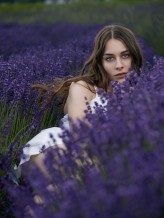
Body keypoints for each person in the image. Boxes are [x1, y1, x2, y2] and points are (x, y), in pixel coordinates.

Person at [14, 24, 143, 180]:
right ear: (100, 61)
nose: (119, 65)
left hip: (98, 161)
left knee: (61, 189)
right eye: (110, 58)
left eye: (125, 55)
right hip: (59, 149)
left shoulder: (144, 92)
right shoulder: (84, 88)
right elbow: (81, 138)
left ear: (134, 56)